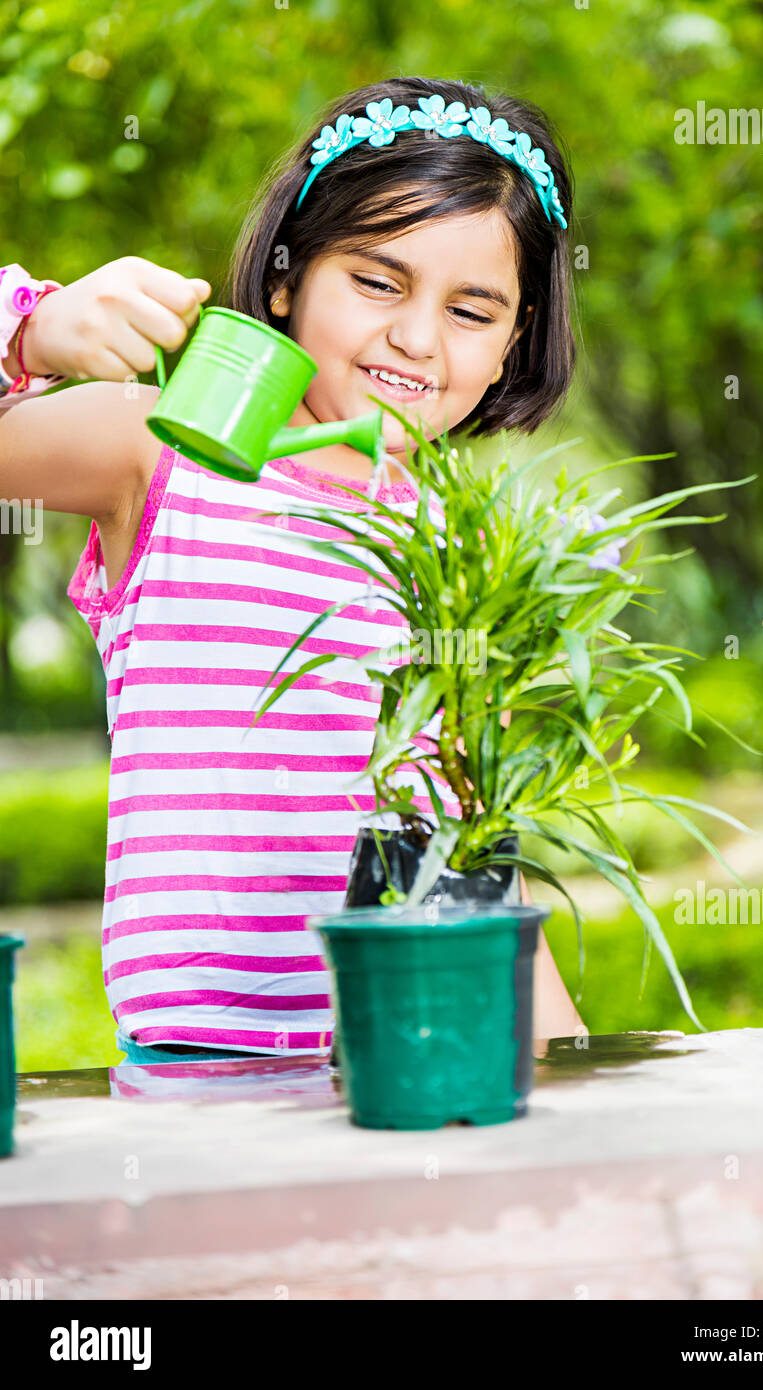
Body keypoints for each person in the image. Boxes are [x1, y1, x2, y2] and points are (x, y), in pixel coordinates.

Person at [0, 75, 585, 1064]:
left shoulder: (462, 550)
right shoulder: (165, 456)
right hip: (204, 1062)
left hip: (421, 1050)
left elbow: (462, 845)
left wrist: (562, 1054)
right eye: (375, 281)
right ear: (283, 280)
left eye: (470, 311)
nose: (415, 338)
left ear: (511, 345)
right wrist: (26, 330)